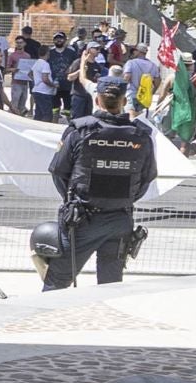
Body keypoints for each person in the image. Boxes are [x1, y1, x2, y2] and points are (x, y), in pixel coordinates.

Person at [47, 76, 157, 291]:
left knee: (57, 283)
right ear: (124, 101)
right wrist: (123, 199)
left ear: (97, 100)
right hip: (120, 218)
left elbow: (59, 171)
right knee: (110, 286)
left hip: (83, 219)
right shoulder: (141, 136)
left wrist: (71, 199)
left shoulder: (80, 131)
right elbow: (147, 177)